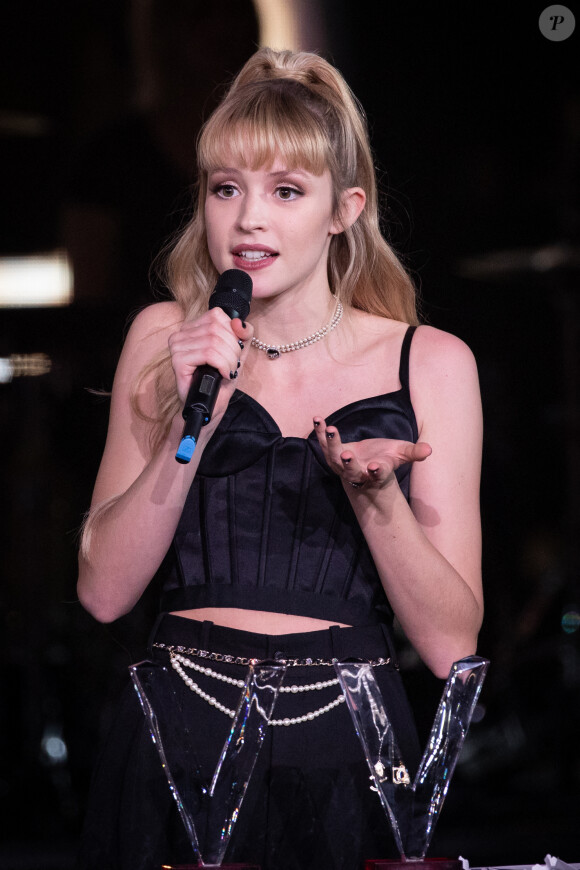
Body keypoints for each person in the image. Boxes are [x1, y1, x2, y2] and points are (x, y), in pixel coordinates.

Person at [76, 47, 483, 870]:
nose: (248, 219)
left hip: (345, 745)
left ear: (345, 209)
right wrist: (195, 424)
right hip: (174, 735)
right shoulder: (166, 338)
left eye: (285, 192)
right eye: (226, 188)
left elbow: (451, 646)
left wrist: (379, 501)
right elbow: (103, 592)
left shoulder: (431, 362)